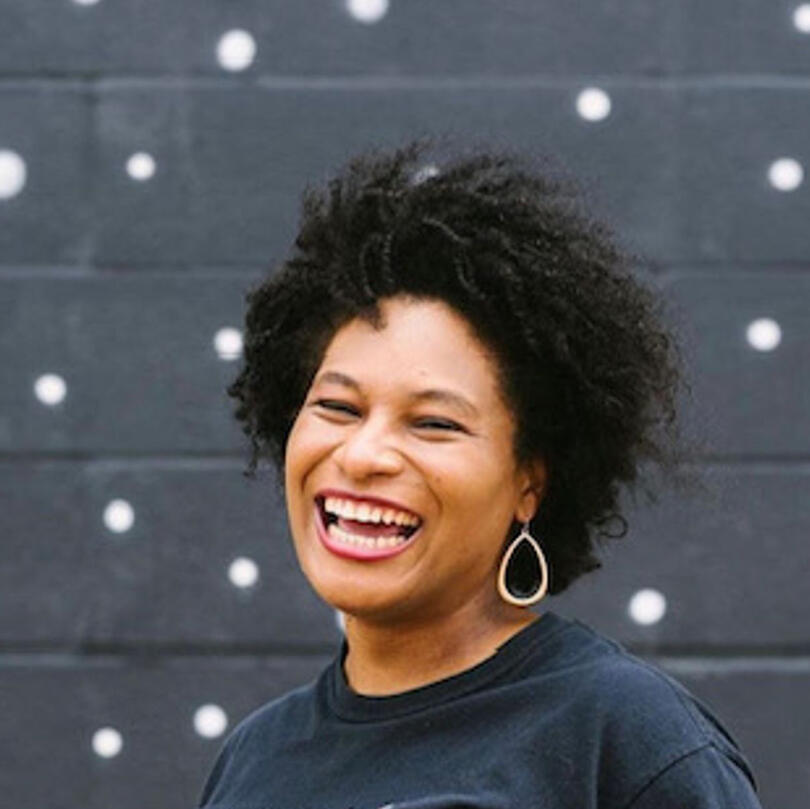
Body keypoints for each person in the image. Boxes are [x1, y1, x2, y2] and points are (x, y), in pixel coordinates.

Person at [196, 136, 763, 808]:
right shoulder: (255, 757)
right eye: (338, 407)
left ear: (531, 481)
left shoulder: (625, 737)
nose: (363, 454)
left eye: (433, 422)